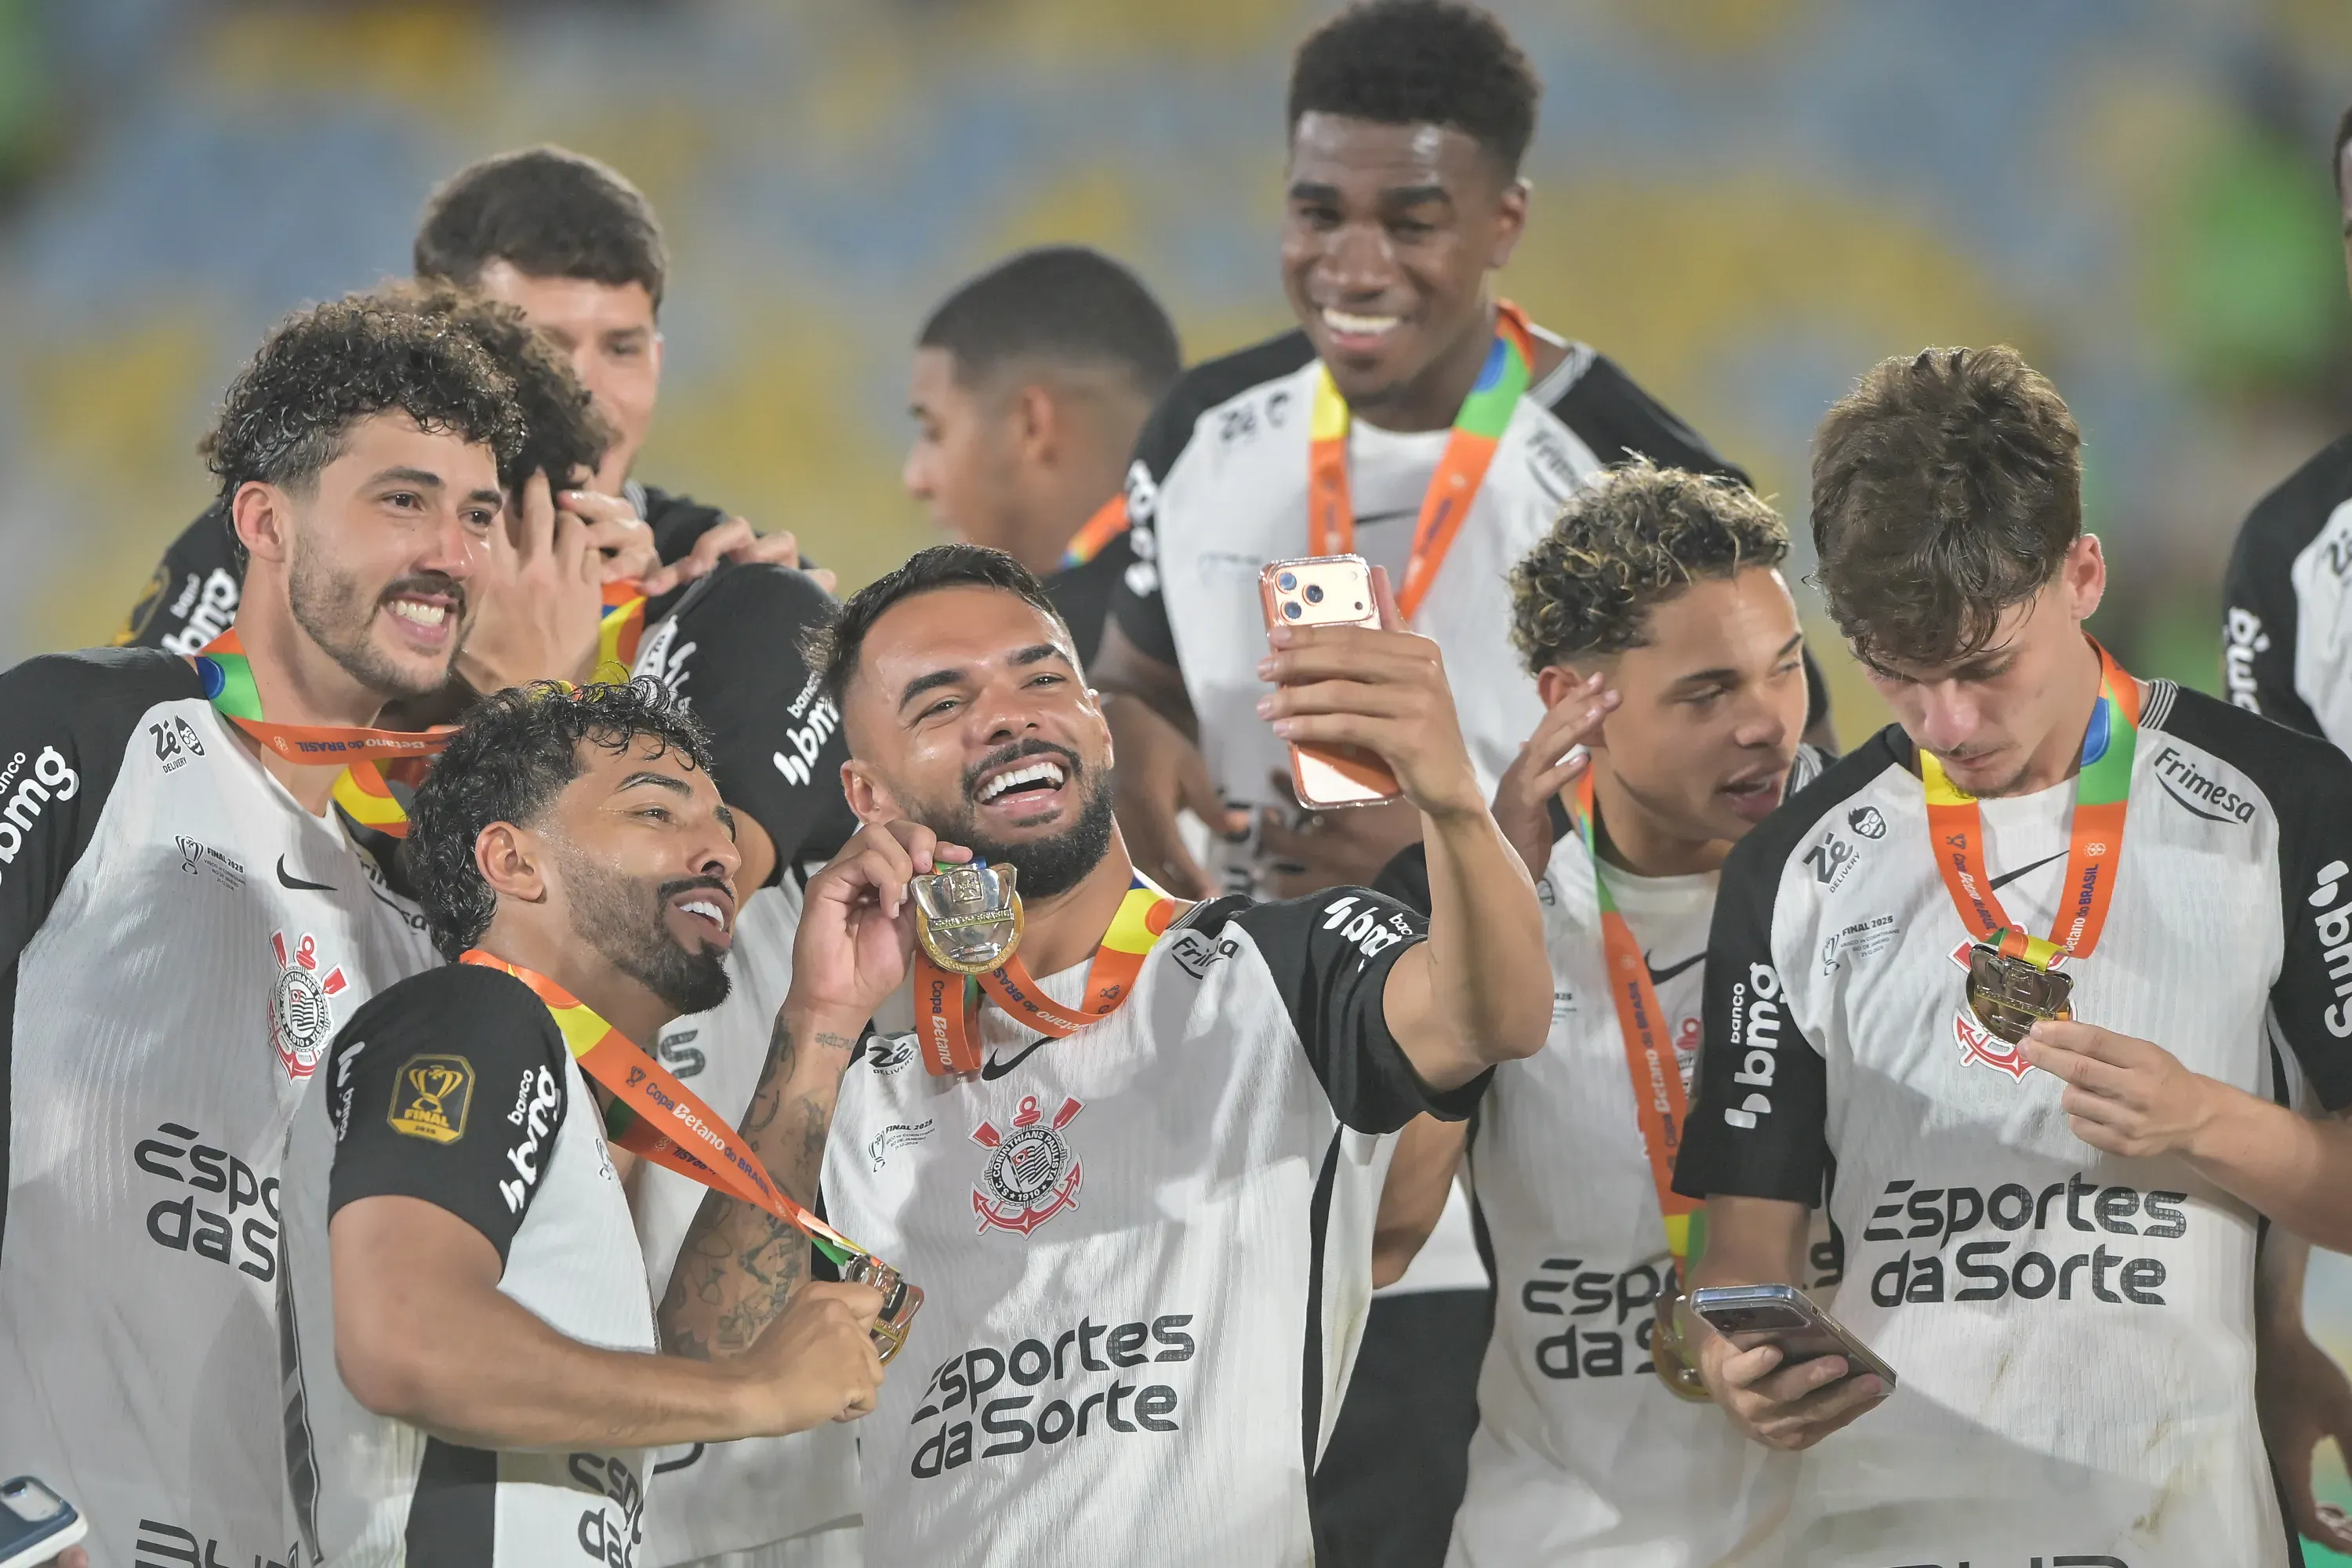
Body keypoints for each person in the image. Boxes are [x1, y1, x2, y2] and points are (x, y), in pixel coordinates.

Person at [1089, 5, 1823, 1555]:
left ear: (1503, 220)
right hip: (1250, 1076)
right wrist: (1175, 815)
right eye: (1318, 209)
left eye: (1411, 219)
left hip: (1531, 1090)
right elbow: (1135, 689)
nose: (1354, 264)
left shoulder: (1633, 475)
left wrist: (1442, 849)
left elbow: (1769, 783)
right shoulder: (1203, 429)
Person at [657, 543, 1551, 1566]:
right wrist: (816, 1018)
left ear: (1095, 718)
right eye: (941, 704)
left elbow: (1500, 1016)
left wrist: (1448, 797)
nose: (1009, 713)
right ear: (867, 795)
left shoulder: (1285, 968)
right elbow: (712, 1360)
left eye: (1041, 677)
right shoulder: (857, 1087)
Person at [1675, 345, 2352, 1566]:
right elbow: (1743, 1255)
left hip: (2179, 1526)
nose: (1948, 723)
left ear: (2083, 573)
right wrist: (1737, 1367)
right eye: (1897, 673)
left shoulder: (2286, 805)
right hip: (1882, 1526)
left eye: (1985, 666)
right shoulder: (1794, 866)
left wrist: (2203, 1119)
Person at [0, 296, 584, 1566]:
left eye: (479, 515)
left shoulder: (422, 916)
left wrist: (550, 721)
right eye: (402, 501)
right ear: (264, 520)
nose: (452, 553)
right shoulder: (86, 733)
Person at [278, 680, 886, 1564]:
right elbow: (402, 1335)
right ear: (515, 862)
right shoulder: (473, 1015)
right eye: (656, 810)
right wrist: (755, 1393)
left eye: (721, 822)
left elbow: (702, 1358)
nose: (717, 848)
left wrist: (821, 1014)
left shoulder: (545, 1083)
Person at [1373, 459, 1835, 1565]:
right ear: (1572, 703)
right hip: (1563, 1538)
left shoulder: (1882, 853)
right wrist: (1491, 919)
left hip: (1852, 1527)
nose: (1766, 724)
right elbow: (1388, 1230)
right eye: (1707, 693)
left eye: (1782, 671)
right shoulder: (1457, 901)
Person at [116, 143, 822, 658]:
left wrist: (774, 647)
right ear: (445, 343)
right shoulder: (283, 537)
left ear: (660, 359)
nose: (585, 392)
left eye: (622, 348)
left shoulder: (706, 584)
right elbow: (145, 767)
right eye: (540, 347)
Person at [904, 245, 1182, 663]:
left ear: (1031, 424)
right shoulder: (1253, 572)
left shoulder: (1037, 666)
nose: (914, 479)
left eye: (934, 431)